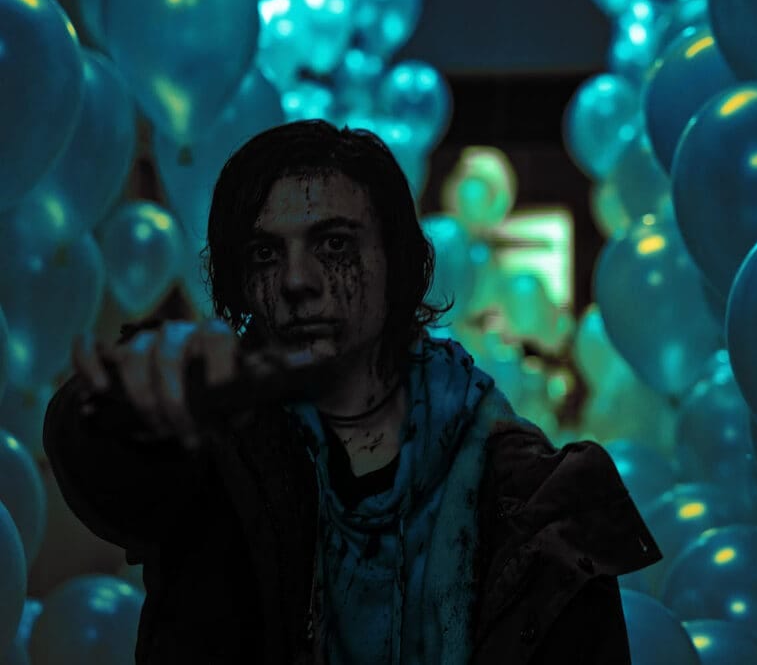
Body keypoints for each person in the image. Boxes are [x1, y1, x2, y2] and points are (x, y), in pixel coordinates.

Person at [43, 119, 661, 664]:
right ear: (239, 282)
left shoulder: (535, 495)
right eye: (264, 254)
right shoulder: (211, 459)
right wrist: (131, 399)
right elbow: (100, 462)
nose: (297, 280)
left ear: (397, 264)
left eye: (334, 244)